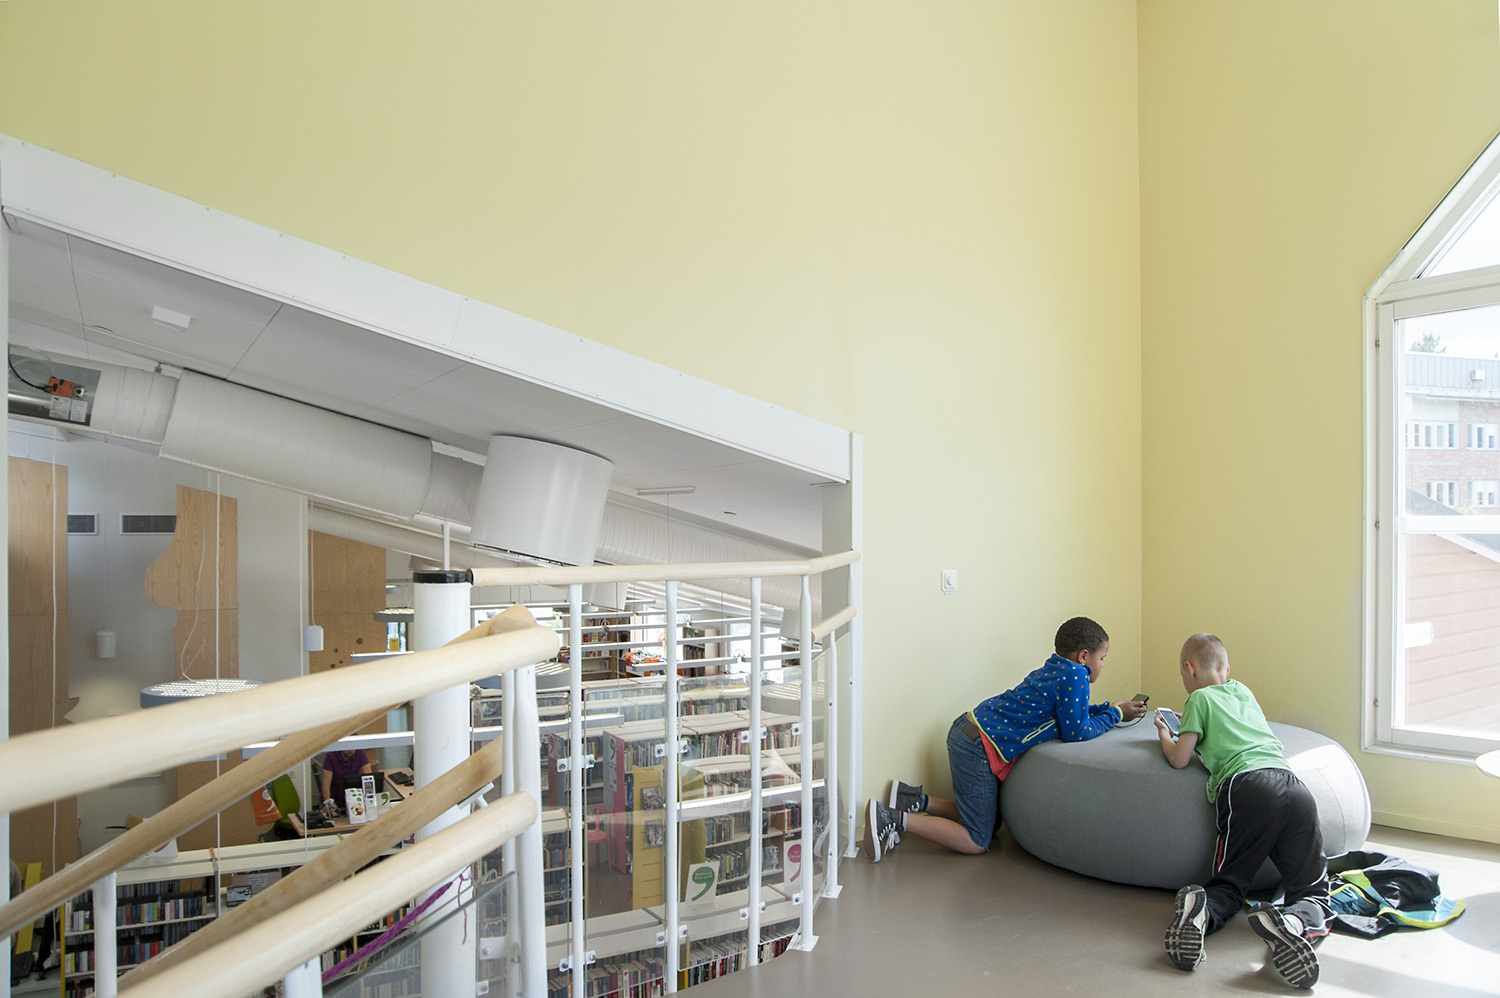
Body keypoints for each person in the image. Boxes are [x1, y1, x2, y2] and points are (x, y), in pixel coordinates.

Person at [864, 616, 1146, 862]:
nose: (1103, 664)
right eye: (1102, 658)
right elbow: (1077, 732)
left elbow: (1072, 713)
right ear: (1084, 656)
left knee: (991, 820)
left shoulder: (1058, 667)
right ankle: (892, 819)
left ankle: (911, 799)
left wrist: (1110, 708)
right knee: (977, 839)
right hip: (977, 745)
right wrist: (1115, 715)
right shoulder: (1076, 676)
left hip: (969, 730)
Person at [1155, 633, 1333, 990]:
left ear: (1189, 669)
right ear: (1227, 670)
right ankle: (1294, 924)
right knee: (1313, 889)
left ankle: (1200, 915)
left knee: (1231, 884)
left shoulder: (1198, 699)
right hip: (1294, 787)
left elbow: (1180, 759)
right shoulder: (1243, 692)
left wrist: (1164, 732)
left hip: (1248, 787)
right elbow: (1237, 727)